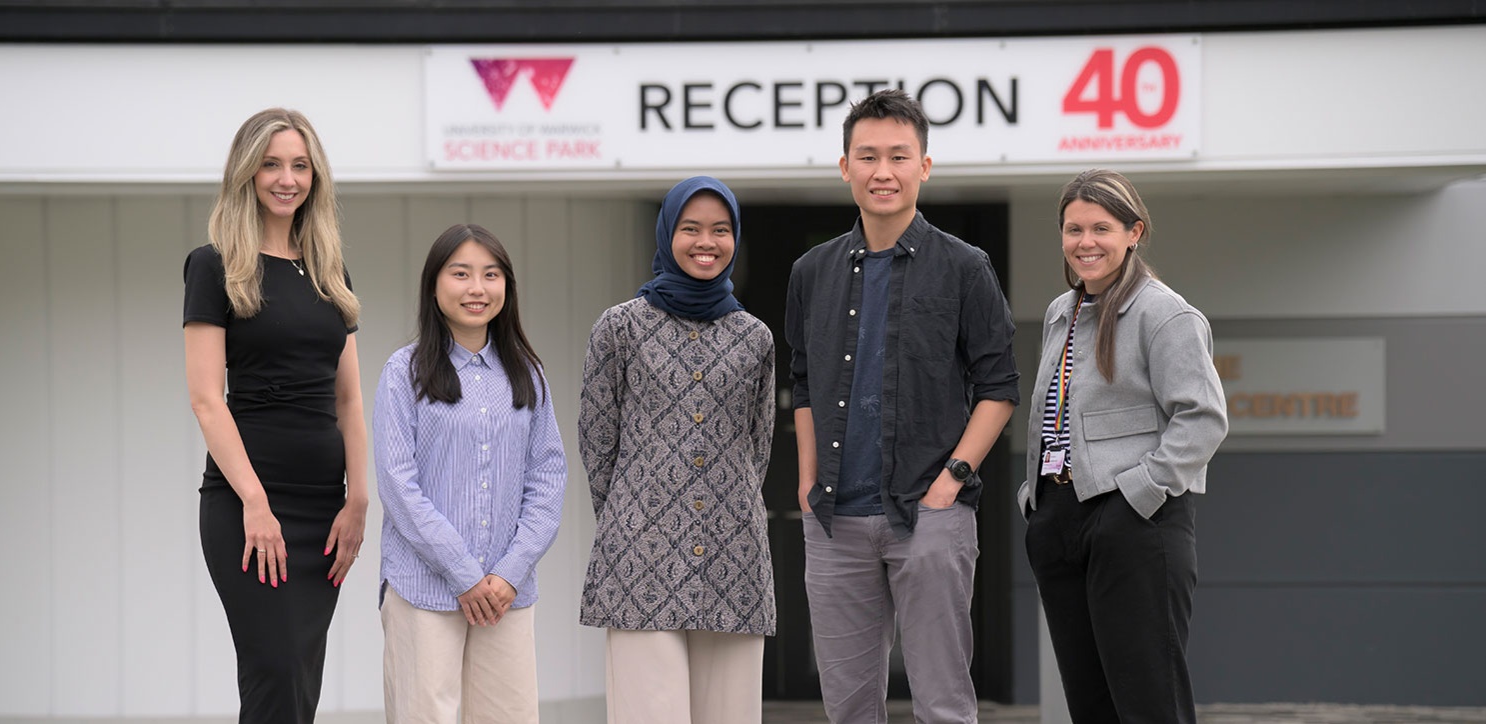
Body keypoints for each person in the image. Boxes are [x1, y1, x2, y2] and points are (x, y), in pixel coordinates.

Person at [785, 88, 1020, 723]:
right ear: (844, 167)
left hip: (931, 512)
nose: (881, 171)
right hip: (835, 519)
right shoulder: (811, 271)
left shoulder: (965, 267)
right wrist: (809, 483)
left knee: (943, 704)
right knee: (849, 709)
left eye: (898, 155)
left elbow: (999, 388)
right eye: (867, 156)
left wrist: (952, 481)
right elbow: (802, 384)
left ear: (924, 166)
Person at [1018, 169, 1227, 724]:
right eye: (1073, 229)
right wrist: (1035, 499)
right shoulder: (1062, 312)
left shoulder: (1165, 313)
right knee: (1092, 706)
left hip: (1135, 521)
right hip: (1061, 518)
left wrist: (1137, 495)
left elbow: (1203, 419)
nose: (1085, 242)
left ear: (1134, 232)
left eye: (1101, 228)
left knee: (1150, 705)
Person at [183, 108, 367, 723]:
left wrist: (359, 499)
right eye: (271, 164)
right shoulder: (214, 266)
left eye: (299, 165)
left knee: (300, 684)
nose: (287, 178)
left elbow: (349, 400)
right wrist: (255, 505)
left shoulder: (329, 272)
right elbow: (208, 399)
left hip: (325, 511)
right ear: (247, 172)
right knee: (276, 674)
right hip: (247, 506)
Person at [578, 176, 777, 724]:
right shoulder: (619, 328)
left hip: (734, 555)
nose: (705, 242)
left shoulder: (754, 336)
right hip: (640, 558)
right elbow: (598, 440)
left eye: (720, 230)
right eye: (690, 228)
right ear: (667, 234)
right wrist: (633, 518)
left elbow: (757, 445)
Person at [373, 224, 567, 724]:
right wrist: (464, 574)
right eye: (461, 274)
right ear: (434, 286)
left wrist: (506, 573)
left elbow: (547, 479)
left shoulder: (528, 372)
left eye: (491, 274)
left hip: (507, 595)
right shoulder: (404, 371)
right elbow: (398, 484)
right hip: (424, 590)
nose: (477, 288)